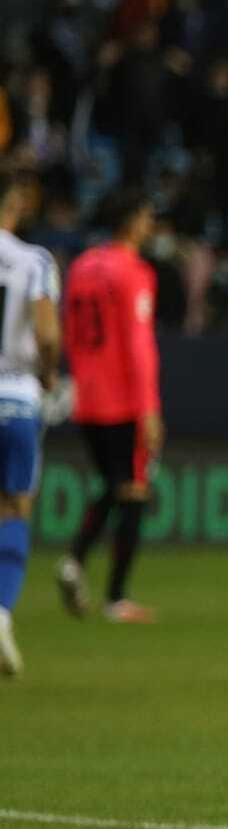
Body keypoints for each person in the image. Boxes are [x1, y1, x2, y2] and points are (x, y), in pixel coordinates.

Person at [57, 187, 161, 625]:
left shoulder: (81, 267)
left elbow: (70, 331)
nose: (150, 224)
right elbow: (138, 344)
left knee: (113, 484)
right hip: (123, 399)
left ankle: (73, 563)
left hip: (88, 396)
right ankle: (117, 598)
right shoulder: (132, 272)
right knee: (133, 489)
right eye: (146, 216)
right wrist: (149, 408)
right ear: (132, 221)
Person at [0, 173, 61, 676]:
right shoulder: (33, 261)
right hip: (16, 399)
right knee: (15, 507)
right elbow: (45, 331)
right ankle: (0, 614)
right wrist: (50, 371)